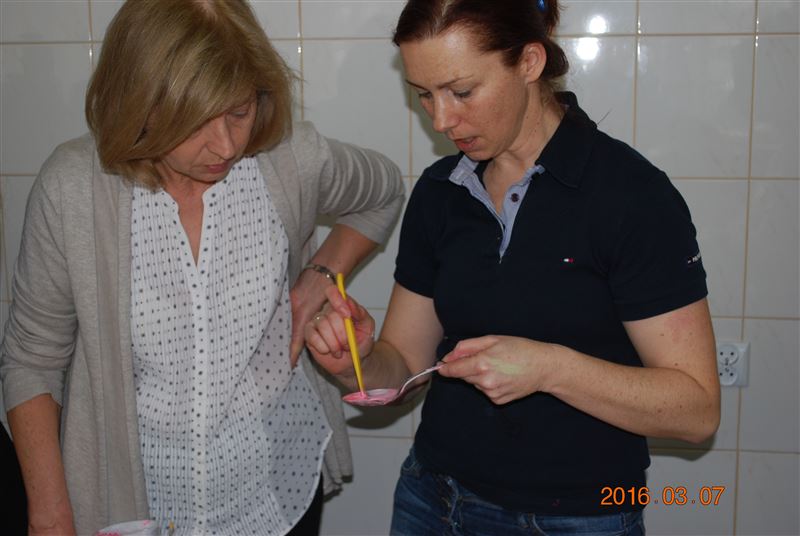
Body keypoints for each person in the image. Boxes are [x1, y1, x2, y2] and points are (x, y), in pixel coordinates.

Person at [304, 0, 721, 534]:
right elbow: (405, 362)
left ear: (529, 62)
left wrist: (550, 369)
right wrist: (357, 362)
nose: (440, 119)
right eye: (424, 95)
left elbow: (696, 411)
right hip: (431, 498)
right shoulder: (440, 192)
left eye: (461, 91)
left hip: (574, 517)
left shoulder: (630, 197)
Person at [0, 1, 404, 534]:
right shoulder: (73, 188)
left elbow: (384, 192)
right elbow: (32, 360)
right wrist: (50, 514)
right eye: (193, 121)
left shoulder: (288, 160)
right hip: (132, 507)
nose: (227, 145)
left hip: (275, 489)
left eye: (239, 111)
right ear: (139, 103)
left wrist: (322, 273)